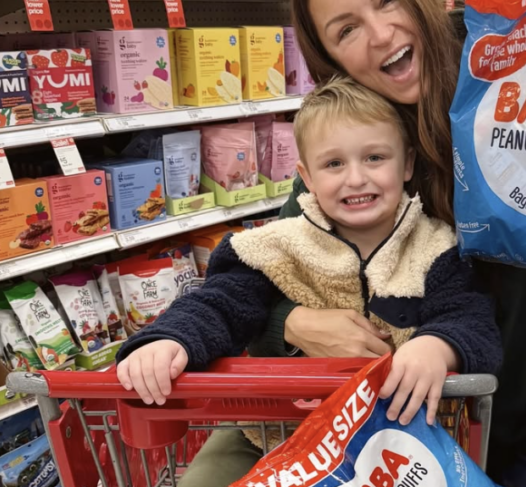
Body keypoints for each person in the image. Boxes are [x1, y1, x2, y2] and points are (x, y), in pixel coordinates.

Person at [247, 0, 526, 487]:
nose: (382, 34)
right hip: (451, 403)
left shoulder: (511, 44)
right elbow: (257, 271)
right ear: (328, 60)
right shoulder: (352, 136)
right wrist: (292, 323)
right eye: (346, 30)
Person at [115, 77, 502, 487]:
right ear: (307, 176)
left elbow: (471, 318)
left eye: (374, 158)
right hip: (273, 433)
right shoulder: (276, 247)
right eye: (334, 164)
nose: (356, 178)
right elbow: (220, 303)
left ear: (406, 164)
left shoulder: (436, 249)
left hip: (397, 440)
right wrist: (169, 340)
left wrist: (436, 346)